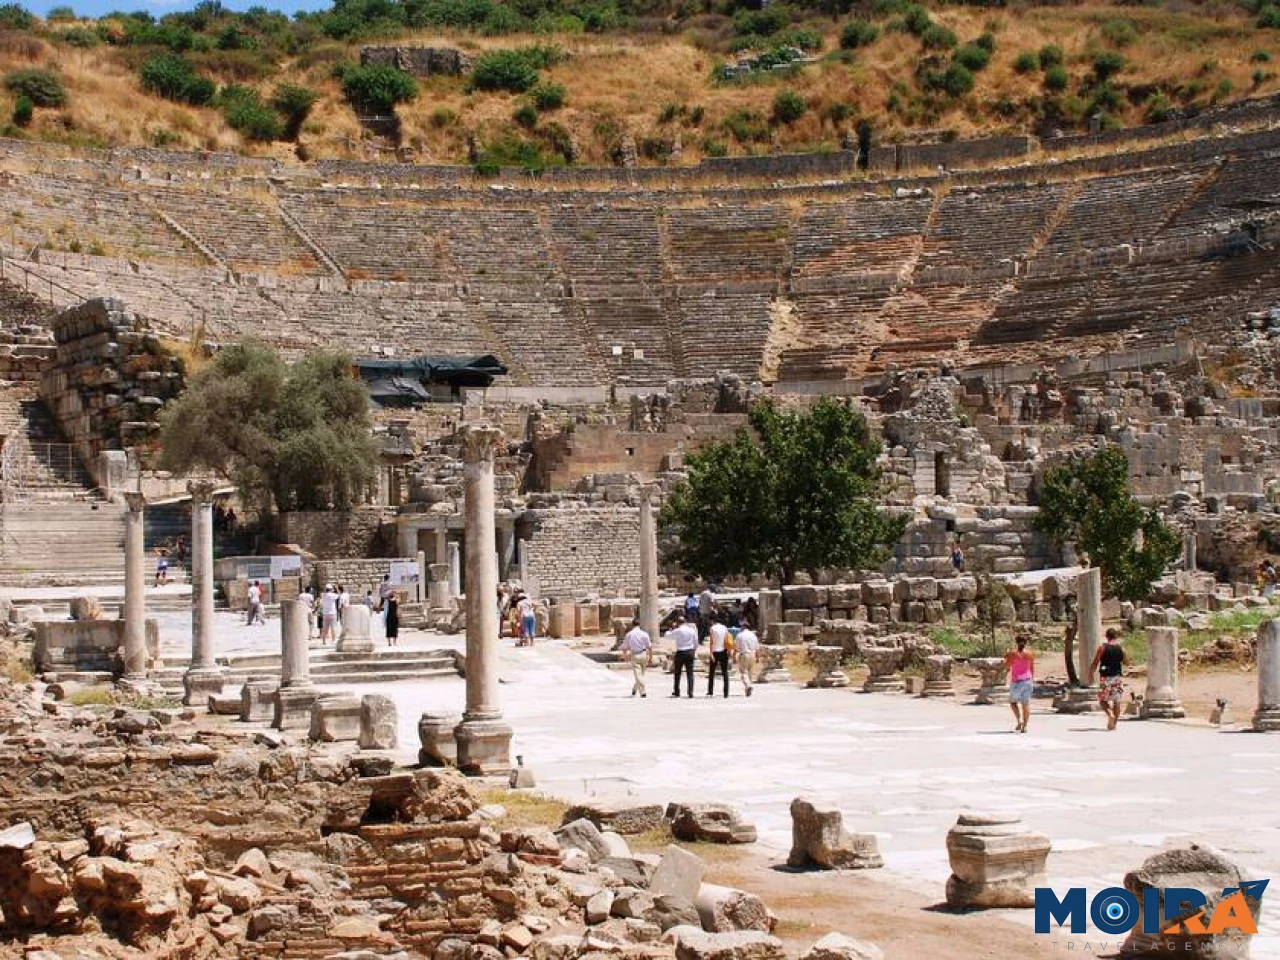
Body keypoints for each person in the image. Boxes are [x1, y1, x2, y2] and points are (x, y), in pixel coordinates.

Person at [1089, 627, 1129, 731]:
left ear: (1107, 636)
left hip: (1105, 678)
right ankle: (1114, 724)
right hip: (1117, 678)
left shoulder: (1102, 648)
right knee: (1117, 701)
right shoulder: (1121, 648)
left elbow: (1095, 662)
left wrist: (1091, 673)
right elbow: (1126, 662)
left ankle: (1110, 714)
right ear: (1116, 636)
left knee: (1102, 700)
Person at [1005, 633, 1035, 733]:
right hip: (1027, 680)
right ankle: (1025, 726)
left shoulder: (1013, 654)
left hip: (1017, 681)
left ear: (1016, 642)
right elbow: (1032, 668)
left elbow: (1007, 666)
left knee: (1013, 702)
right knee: (1025, 704)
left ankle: (1019, 721)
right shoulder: (1030, 654)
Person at [667, 614, 699, 699]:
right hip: (690, 652)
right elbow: (696, 642)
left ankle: (677, 691)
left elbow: (668, 636)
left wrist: (671, 628)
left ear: (678, 623)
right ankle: (690, 692)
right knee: (690, 673)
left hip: (681, 652)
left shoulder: (678, 630)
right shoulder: (692, 630)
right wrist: (693, 650)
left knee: (677, 673)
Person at [623, 617, 653, 697]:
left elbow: (625, 647)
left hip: (635, 655)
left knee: (639, 675)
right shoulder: (644, 634)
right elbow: (649, 647)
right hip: (644, 654)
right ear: (639, 625)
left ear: (632, 625)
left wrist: (625, 656)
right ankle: (641, 691)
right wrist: (650, 657)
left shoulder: (629, 634)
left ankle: (638, 689)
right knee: (640, 675)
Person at [706, 613, 733, 698]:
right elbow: (727, 639)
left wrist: (711, 653)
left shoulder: (712, 628)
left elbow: (711, 642)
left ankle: (710, 691)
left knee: (712, 672)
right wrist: (729, 650)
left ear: (712, 620)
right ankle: (726, 692)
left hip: (715, 651)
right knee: (725, 672)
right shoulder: (724, 628)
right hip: (723, 651)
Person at [735, 621, 759, 697]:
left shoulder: (740, 635)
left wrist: (733, 656)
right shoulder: (753, 635)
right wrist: (757, 657)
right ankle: (748, 689)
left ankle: (748, 686)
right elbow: (757, 647)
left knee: (744, 672)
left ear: (744, 627)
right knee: (750, 672)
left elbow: (736, 648)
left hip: (744, 655)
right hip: (752, 654)